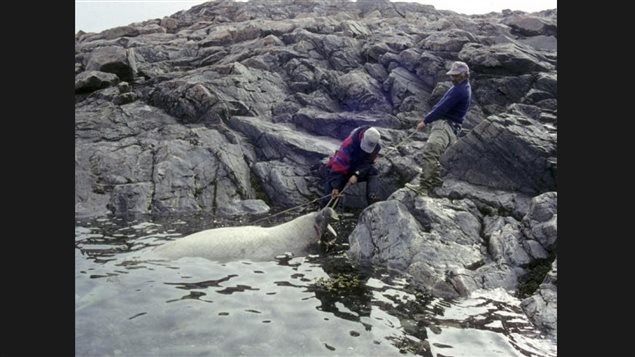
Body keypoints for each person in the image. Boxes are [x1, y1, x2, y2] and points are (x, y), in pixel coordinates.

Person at [406, 61, 472, 195]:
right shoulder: (460, 86)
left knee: (431, 151)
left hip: (445, 126)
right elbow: (441, 104)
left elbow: (442, 109)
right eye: (452, 75)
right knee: (435, 154)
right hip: (449, 127)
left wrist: (425, 121)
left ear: (465, 75)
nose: (452, 78)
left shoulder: (460, 91)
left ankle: (423, 187)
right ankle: (435, 179)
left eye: (456, 75)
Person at [320, 126, 381, 208]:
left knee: (373, 173)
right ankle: (324, 212)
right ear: (362, 137)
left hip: (356, 169)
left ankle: (373, 200)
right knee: (332, 195)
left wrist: (357, 174)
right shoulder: (349, 144)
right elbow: (339, 165)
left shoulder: (376, 146)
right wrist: (336, 186)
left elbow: (368, 163)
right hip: (341, 170)